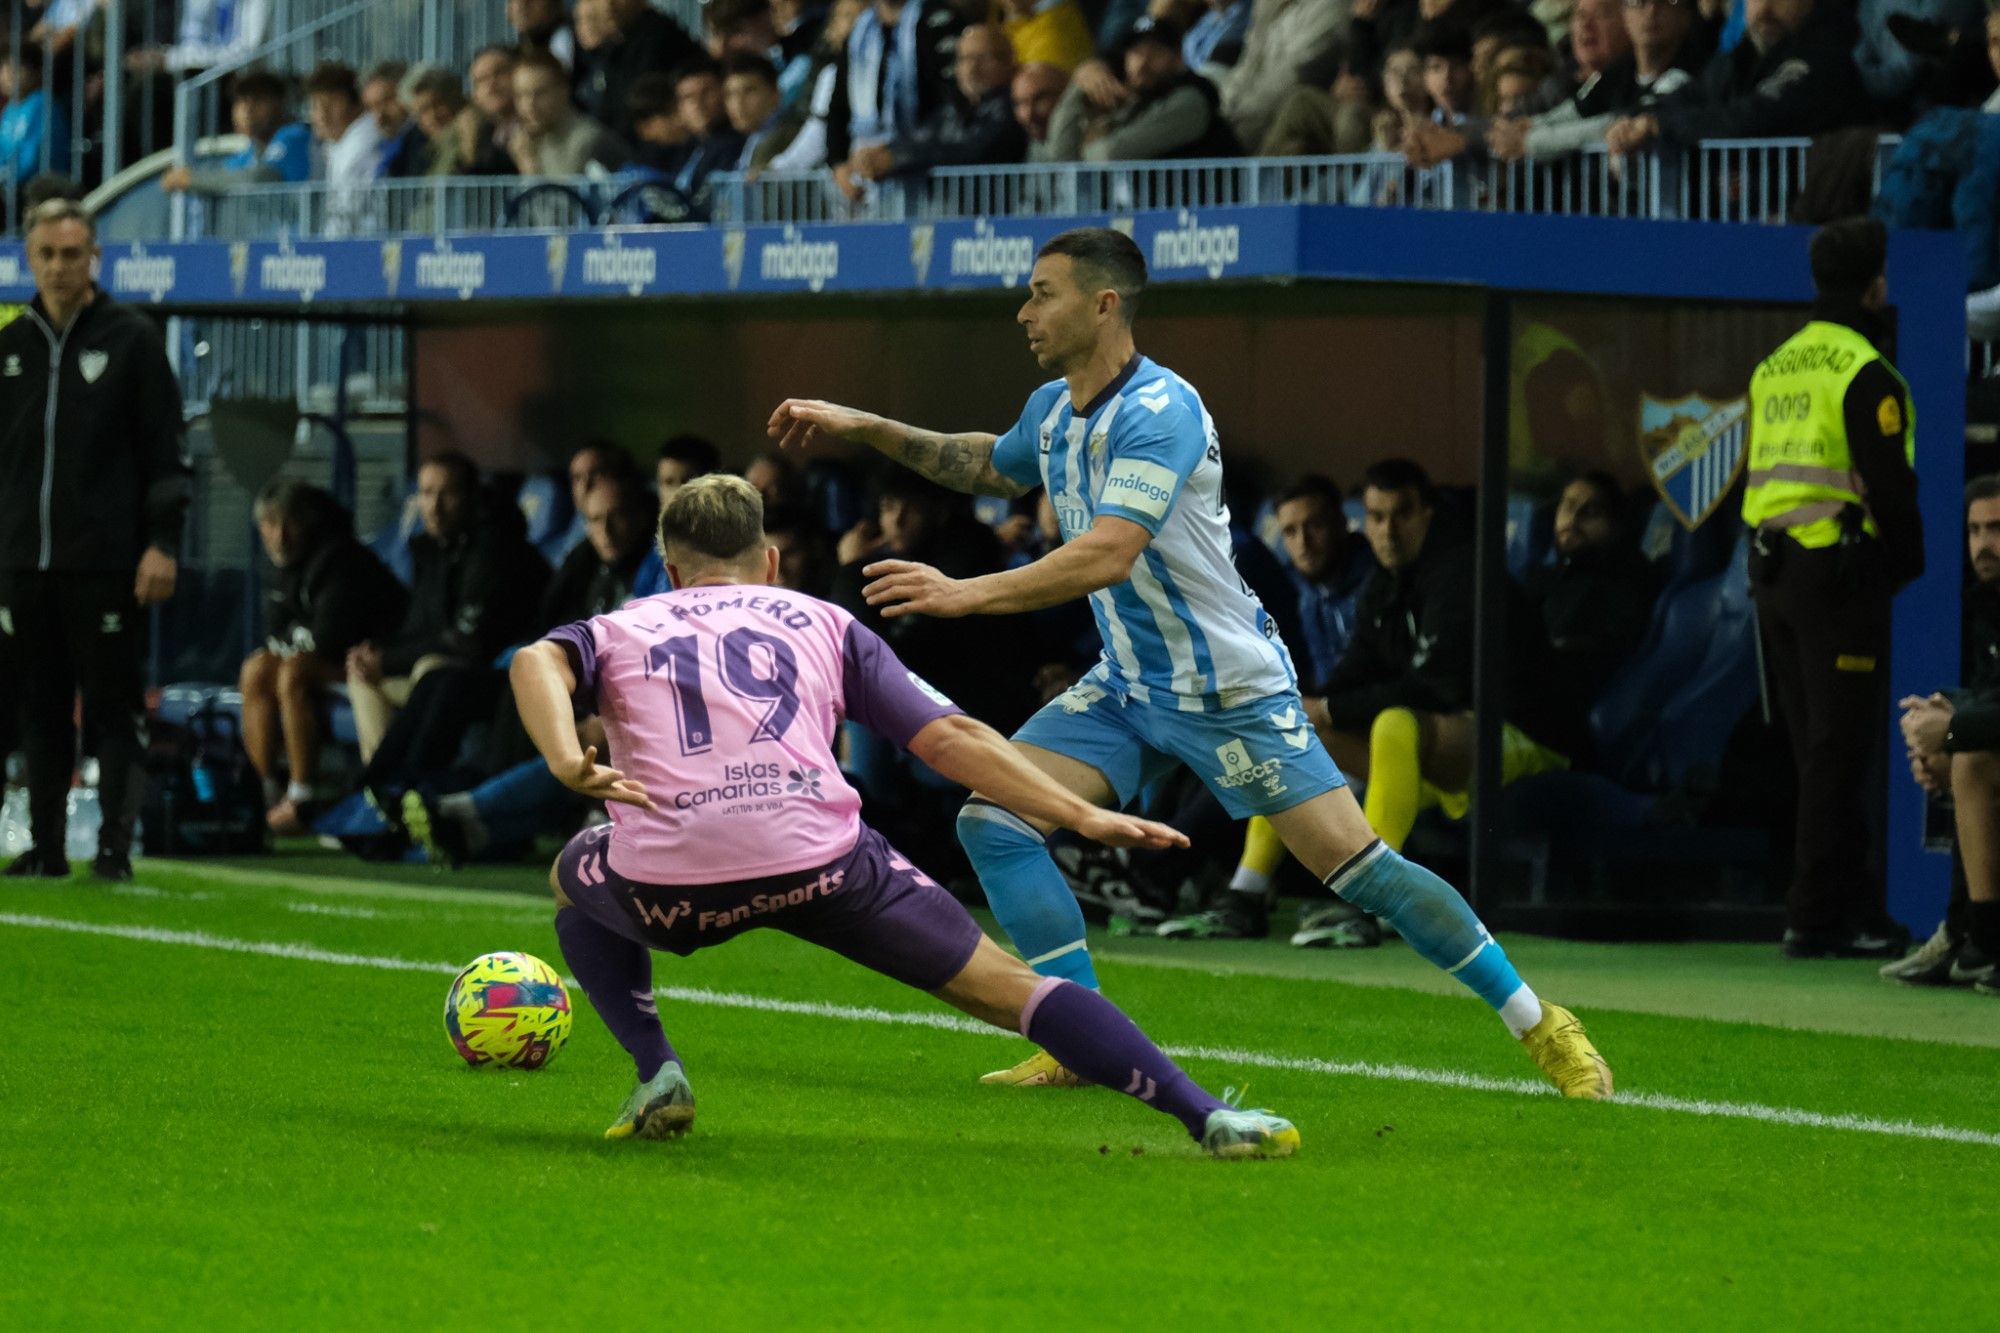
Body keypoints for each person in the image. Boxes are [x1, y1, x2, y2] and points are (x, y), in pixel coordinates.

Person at [766, 228, 1611, 1098]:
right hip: (1129, 687)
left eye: (1042, 293)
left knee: (1361, 871)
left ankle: (1541, 1022)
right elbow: (984, 461)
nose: (1024, 312)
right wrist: (864, 424)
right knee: (994, 819)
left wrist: (963, 592)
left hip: (1227, 691)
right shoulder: (1054, 410)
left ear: (1104, 304)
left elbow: (1108, 553)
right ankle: (1078, 1036)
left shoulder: (1161, 412)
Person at [510, 473, 1302, 1157]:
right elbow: (949, 737)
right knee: (1015, 990)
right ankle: (1210, 1116)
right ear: (772, 561)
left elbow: (534, 659)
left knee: (571, 874)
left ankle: (658, 1072)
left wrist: (562, 756)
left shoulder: (623, 624)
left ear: (672, 570)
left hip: (671, 881)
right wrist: (1075, 813)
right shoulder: (822, 620)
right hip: (823, 865)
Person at [1743, 218, 1924, 960]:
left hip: (1772, 571)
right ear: (1875, 283)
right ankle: (1819, 914)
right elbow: (1890, 487)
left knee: (1814, 747)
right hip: (1837, 573)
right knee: (1838, 747)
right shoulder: (1864, 370)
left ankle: (1840, 905)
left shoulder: (1775, 366)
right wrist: (1901, 567)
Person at [0, 200, 190, 882]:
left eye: (71, 254)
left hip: (108, 563)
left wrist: (162, 542)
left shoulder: (133, 340)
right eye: (46, 254)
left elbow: (168, 454)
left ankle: (114, 847)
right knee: (37, 710)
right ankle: (46, 847)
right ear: (30, 258)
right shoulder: (10, 345)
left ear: (95, 258)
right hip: (23, 562)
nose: (58, 267)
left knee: (113, 709)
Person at [344, 453, 548, 762]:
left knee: (431, 670)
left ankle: (413, 781)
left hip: (493, 671)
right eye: (426, 493)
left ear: (471, 497)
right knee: (361, 673)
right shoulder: (433, 549)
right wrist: (375, 652)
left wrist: (387, 660)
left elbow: (468, 643)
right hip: (445, 666)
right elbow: (419, 628)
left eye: (448, 494)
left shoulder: (494, 548)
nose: (435, 506)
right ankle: (382, 788)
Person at [1883, 475, 2000, 991]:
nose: (1984, 544)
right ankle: (1963, 932)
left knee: (1968, 754)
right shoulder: (1988, 602)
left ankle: (1989, 941)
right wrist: (1948, 714)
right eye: (1974, 530)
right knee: (1955, 755)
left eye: (1996, 529)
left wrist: (1951, 728)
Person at [241, 481, 408, 835]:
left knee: (294, 672)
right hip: (328, 662)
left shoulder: (340, 559)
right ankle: (264, 793)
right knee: (255, 668)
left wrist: (293, 643)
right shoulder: (277, 565)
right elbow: (275, 633)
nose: (280, 536)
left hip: (382, 662)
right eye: (270, 525)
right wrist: (292, 642)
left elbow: (329, 641)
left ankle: (302, 797)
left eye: (290, 524)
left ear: (310, 523)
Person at [841, 22, 1026, 189]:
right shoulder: (954, 109)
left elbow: (971, 151)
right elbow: (921, 139)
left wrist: (896, 159)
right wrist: (883, 153)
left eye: (983, 58)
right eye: (964, 58)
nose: (971, 69)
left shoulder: (1015, 107)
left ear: (1009, 62)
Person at [1047, 18, 1240, 161]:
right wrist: (1080, 84)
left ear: (1178, 58)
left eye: (1155, 52)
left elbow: (1109, 155)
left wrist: (1096, 141)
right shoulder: (1135, 101)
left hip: (1212, 214)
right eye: (1136, 52)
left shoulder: (1191, 100)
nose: (1142, 63)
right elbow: (1060, 159)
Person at [1273, 474, 1376, 691]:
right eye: (1290, 532)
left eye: (1315, 526)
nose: (1303, 543)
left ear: (1341, 524)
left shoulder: (1379, 582)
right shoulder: (1304, 592)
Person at [160, 70, 314, 194]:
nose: (248, 110)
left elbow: (261, 178)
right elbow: (226, 172)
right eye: (241, 102)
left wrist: (192, 180)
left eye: (258, 100)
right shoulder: (254, 148)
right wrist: (189, 175)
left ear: (281, 105)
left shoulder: (295, 135)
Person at [512, 50, 630, 175]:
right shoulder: (532, 143)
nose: (530, 104)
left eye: (540, 93)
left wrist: (528, 166)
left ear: (564, 91)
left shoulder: (588, 141)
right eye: (521, 95)